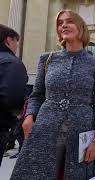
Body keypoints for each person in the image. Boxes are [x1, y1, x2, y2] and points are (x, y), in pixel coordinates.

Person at [10, 9, 95, 179]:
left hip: (81, 131)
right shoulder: (47, 59)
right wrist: (29, 116)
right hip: (45, 128)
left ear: (81, 27)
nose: (64, 25)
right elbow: (37, 95)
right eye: (60, 23)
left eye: (69, 21)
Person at [0, 24, 28, 166]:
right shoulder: (12, 63)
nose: (17, 46)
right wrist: (17, 115)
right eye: (16, 42)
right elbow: (13, 97)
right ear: (8, 40)